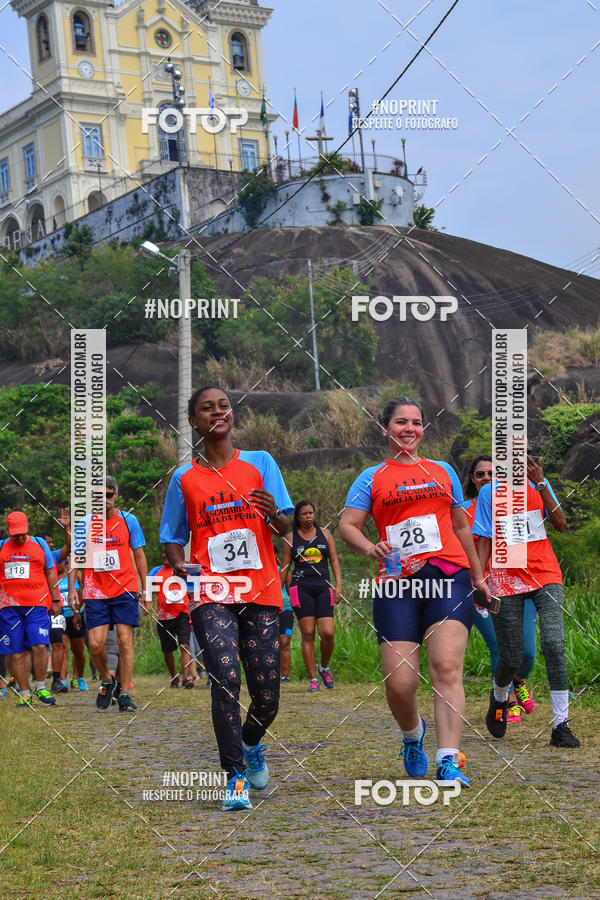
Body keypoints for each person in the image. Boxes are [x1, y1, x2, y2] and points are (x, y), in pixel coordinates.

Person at [340, 396, 491, 787]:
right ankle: (412, 734)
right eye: (401, 422)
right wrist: (369, 548)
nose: (409, 429)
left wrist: (478, 577)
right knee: (400, 683)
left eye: (416, 422)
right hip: (397, 583)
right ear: (385, 428)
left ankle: (448, 760)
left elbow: (460, 525)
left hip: (449, 575)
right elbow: (348, 525)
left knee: (446, 666)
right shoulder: (371, 477)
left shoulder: (442, 471)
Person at [160, 386, 294, 812]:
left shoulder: (261, 463)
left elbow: (285, 527)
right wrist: (179, 564)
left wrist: (274, 514)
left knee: (267, 696)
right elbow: (172, 537)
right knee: (225, 678)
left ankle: (251, 743)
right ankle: (234, 778)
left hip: (261, 590)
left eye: (223, 406)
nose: (217, 412)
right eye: (206, 408)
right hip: (210, 590)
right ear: (193, 421)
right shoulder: (184, 479)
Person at [473, 451, 579, 748]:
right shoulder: (489, 493)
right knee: (511, 657)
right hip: (505, 578)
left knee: (554, 644)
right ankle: (499, 697)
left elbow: (560, 524)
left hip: (545, 574)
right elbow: (485, 539)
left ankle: (561, 725)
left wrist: (541, 483)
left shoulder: (538, 484)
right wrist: (480, 580)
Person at [463, 456, 537, 724]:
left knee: (527, 653)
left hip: (518, 583)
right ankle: (504, 703)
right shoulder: (463, 511)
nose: (486, 478)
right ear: (472, 479)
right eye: (480, 474)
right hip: (483, 587)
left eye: (491, 474)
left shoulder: (514, 503)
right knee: (499, 645)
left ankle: (517, 679)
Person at [71, 475, 149, 713]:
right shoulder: (85, 524)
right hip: (96, 590)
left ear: (115, 496)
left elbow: (139, 556)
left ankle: (124, 693)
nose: (103, 500)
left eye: (108, 495)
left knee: (125, 641)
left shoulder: (128, 520)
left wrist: (146, 591)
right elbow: (76, 559)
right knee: (96, 645)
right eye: (98, 496)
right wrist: (73, 589)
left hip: (125, 587)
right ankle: (107, 680)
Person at [0, 511, 60, 706]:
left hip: (37, 606)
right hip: (9, 608)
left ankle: (41, 687)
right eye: (15, 534)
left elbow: (50, 573)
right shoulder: (1, 547)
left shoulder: (40, 544)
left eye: (22, 534)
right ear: (9, 531)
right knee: (16, 652)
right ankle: (25, 694)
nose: (19, 538)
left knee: (40, 645)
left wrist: (55, 600)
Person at [281, 501, 342, 691]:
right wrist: (276, 591)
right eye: (304, 514)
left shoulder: (325, 534)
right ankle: (313, 679)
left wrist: (338, 585)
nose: (308, 517)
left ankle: (324, 667)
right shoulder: (290, 538)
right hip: (300, 589)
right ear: (298, 517)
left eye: (311, 513)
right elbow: (285, 566)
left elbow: (334, 560)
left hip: (323, 587)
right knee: (307, 634)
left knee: (327, 633)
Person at [148, 553, 193, 688]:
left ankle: (186, 679)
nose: (164, 555)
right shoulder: (156, 572)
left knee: (184, 646)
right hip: (164, 617)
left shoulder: (184, 570)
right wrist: (147, 602)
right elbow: (147, 587)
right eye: (163, 553)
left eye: (167, 553)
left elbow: (193, 587)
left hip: (183, 613)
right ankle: (174, 676)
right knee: (168, 650)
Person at [275, 548, 293, 683]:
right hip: (269, 610)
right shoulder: (261, 571)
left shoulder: (283, 570)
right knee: (270, 644)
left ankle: (285, 676)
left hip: (286, 610)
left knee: (285, 641)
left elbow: (291, 589)